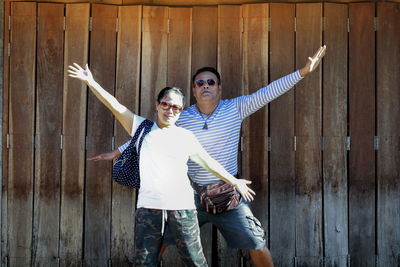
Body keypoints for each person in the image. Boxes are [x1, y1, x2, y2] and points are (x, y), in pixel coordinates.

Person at [89, 45, 327, 266]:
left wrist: (303, 72)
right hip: (189, 195)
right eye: (200, 82)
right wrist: (120, 150)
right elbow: (150, 132)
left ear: (219, 88)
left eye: (210, 82)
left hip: (228, 193)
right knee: (160, 243)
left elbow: (268, 92)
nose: (205, 85)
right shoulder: (181, 114)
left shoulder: (235, 108)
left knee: (256, 243)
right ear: (193, 90)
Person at [68, 64, 256, 266]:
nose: (170, 110)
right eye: (166, 104)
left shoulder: (186, 136)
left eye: (176, 107)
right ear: (157, 105)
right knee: (144, 262)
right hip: (149, 209)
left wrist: (234, 181)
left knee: (195, 262)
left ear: (181, 110)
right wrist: (91, 82)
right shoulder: (142, 128)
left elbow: (209, 163)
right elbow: (114, 105)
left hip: (183, 210)